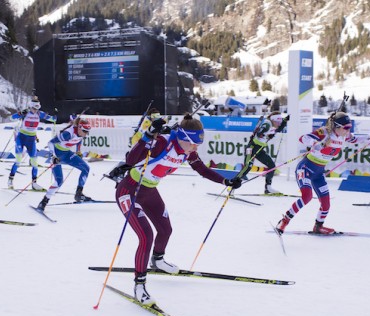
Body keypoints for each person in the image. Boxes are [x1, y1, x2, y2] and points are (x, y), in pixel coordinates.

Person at [110, 114, 242, 306]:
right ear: (183, 138)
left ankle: (158, 260)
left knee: (165, 230)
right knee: (146, 235)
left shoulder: (188, 151)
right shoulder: (163, 143)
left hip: (149, 190)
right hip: (129, 190)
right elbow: (131, 159)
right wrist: (147, 136)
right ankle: (139, 286)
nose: (196, 148)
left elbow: (202, 169)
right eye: (194, 143)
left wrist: (226, 181)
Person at [275, 112, 370, 235]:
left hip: (319, 173)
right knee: (306, 197)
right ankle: (284, 221)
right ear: (337, 126)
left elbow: (355, 139)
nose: (348, 129)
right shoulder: (324, 132)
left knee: (326, 202)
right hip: (306, 168)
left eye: (349, 126)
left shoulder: (344, 135)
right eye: (346, 127)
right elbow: (303, 138)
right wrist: (316, 144)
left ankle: (318, 226)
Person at [37, 118, 92, 209]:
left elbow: (79, 140)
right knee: (59, 181)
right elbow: (50, 143)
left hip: (67, 154)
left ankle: (78, 194)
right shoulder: (68, 134)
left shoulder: (81, 133)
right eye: (85, 131)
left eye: (87, 132)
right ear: (79, 128)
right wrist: (54, 156)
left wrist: (78, 151)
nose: (86, 134)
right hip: (57, 156)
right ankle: (44, 201)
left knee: (86, 168)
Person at [8, 97, 55, 190]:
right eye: (34, 108)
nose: (35, 110)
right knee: (18, 160)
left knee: (34, 162)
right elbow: (11, 118)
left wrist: (56, 116)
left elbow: (52, 119)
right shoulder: (25, 113)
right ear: (30, 107)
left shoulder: (39, 113)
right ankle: (10, 180)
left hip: (31, 140)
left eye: (37, 109)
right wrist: (19, 114)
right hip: (21, 138)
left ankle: (34, 183)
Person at [240, 111, 288, 194]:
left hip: (260, 149)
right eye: (278, 122)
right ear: (273, 120)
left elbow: (279, 128)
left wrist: (285, 121)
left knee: (272, 166)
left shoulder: (274, 124)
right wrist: (267, 134)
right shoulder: (267, 124)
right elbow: (259, 134)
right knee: (247, 167)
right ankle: (232, 186)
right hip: (252, 147)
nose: (279, 124)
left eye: (280, 122)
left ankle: (268, 188)